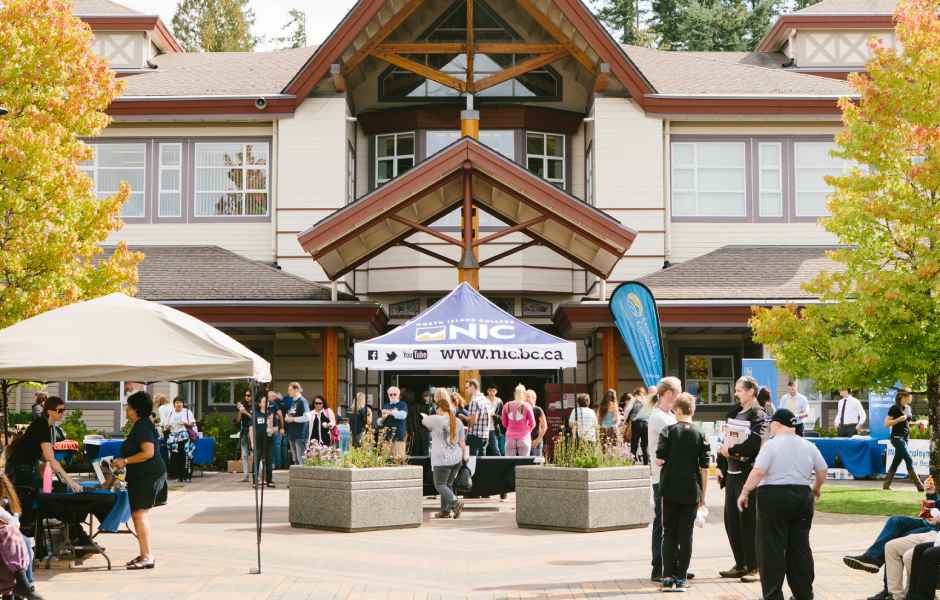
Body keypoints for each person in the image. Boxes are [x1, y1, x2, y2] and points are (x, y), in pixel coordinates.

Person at [736, 408, 827, 600]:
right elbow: (822, 470)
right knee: (800, 547)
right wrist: (816, 488)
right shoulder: (808, 445)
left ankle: (773, 594)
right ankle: (803, 593)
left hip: (774, 496)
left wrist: (745, 491)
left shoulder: (771, 445)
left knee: (771, 548)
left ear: (776, 425)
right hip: (802, 495)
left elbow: (759, 471)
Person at [656, 393, 708, 593]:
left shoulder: (667, 431)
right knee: (686, 535)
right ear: (692, 411)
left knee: (669, 533)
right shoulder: (701, 434)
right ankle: (682, 578)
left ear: (677, 410)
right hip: (691, 489)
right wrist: (703, 496)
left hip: (669, 488)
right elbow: (704, 467)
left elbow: (660, 459)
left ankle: (667, 577)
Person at [718, 375, 767, 582]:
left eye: (739, 390)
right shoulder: (734, 412)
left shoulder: (759, 415)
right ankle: (740, 563)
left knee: (748, 521)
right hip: (731, 474)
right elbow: (725, 440)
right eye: (736, 390)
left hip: (748, 475)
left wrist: (733, 451)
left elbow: (755, 445)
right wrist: (722, 465)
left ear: (751, 392)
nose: (736, 393)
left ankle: (753, 566)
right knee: (731, 520)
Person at [112, 391, 168, 570]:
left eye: (128, 407)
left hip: (148, 475)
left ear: (135, 409)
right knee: (138, 514)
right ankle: (144, 553)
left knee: (140, 514)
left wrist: (125, 461)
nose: (126, 410)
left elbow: (148, 452)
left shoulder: (143, 426)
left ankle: (148, 556)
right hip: (141, 476)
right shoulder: (140, 425)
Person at [648, 376, 680, 583]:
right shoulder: (659, 417)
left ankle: (672, 565)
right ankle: (658, 567)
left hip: (670, 476)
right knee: (662, 523)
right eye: (678, 392)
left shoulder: (668, 415)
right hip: (662, 478)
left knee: (671, 522)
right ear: (669, 394)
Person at [422, 388, 467, 519]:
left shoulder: (436, 419)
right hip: (457, 459)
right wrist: (464, 458)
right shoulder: (457, 420)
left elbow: (423, 421)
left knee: (440, 485)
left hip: (442, 459)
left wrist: (427, 416)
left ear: (439, 408)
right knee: (448, 484)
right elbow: (462, 443)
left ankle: (455, 502)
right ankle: (445, 511)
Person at [884, 390, 924, 491]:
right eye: (909, 396)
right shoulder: (894, 408)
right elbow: (886, 423)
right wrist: (898, 419)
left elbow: (906, 422)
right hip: (897, 438)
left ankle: (886, 485)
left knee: (896, 462)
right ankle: (919, 486)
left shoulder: (908, 408)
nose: (911, 398)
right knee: (909, 459)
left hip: (905, 438)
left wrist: (917, 423)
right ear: (902, 397)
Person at [251, 392, 279, 487]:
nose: (266, 403)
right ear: (260, 404)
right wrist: (252, 443)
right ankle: (255, 481)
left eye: (267, 401)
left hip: (269, 441)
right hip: (258, 442)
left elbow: (276, 428)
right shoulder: (256, 414)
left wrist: (271, 428)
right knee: (256, 461)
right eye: (264, 401)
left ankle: (269, 480)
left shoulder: (271, 414)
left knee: (269, 461)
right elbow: (251, 429)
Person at [165, 397, 195, 483]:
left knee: (186, 456)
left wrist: (185, 423)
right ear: (174, 404)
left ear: (183, 404)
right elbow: (166, 425)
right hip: (173, 438)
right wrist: (168, 426)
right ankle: (179, 476)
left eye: (180, 402)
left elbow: (192, 423)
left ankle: (187, 476)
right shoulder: (171, 412)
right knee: (176, 457)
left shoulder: (187, 412)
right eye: (177, 403)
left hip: (184, 436)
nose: (178, 404)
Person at [501, 384, 535, 457]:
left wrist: (511, 427)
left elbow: (504, 423)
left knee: (509, 464)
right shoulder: (527, 406)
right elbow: (533, 424)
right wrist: (528, 429)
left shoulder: (507, 405)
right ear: (524, 394)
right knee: (523, 465)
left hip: (510, 438)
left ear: (515, 393)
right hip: (524, 438)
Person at [283, 382, 310, 465]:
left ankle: (302, 477)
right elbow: (291, 414)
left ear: (296, 390)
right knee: (295, 460)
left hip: (300, 435)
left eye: (290, 390)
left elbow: (307, 417)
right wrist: (287, 418)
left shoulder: (302, 401)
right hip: (292, 435)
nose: (288, 392)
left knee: (301, 459)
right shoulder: (293, 402)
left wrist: (293, 419)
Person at [377, 386, 408, 459]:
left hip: (398, 435)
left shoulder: (402, 404)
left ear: (398, 395)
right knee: (386, 459)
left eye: (395, 394)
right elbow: (378, 422)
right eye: (390, 394)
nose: (392, 396)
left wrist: (388, 412)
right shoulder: (386, 405)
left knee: (398, 459)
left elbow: (403, 415)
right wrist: (383, 418)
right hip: (386, 436)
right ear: (388, 395)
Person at [464, 379, 491, 457]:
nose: (466, 390)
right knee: (482, 465)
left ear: (472, 387)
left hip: (474, 436)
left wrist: (464, 418)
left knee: (471, 464)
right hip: (485, 436)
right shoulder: (486, 400)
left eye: (467, 387)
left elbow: (473, 421)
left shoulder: (474, 401)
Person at [236, 391, 253, 481]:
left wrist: (245, 412)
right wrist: (240, 411)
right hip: (244, 431)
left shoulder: (255, 406)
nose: (247, 397)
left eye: (249, 395)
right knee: (244, 454)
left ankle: (258, 475)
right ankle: (246, 475)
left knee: (255, 453)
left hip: (253, 431)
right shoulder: (244, 405)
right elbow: (238, 420)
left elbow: (254, 418)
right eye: (246, 395)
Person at [526, 389, 548, 457]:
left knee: (536, 464)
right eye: (526, 396)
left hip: (536, 441)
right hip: (525, 441)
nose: (526, 398)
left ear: (534, 398)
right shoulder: (523, 409)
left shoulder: (538, 410)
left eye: (528, 396)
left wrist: (538, 440)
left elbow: (544, 426)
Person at [486, 386, 504, 457]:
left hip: (493, 428)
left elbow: (502, 417)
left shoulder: (499, 402)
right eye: (490, 390)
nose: (492, 393)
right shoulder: (483, 400)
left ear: (496, 391)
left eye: (493, 391)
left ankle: (500, 465)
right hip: (483, 428)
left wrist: (494, 416)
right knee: (482, 449)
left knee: (495, 449)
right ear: (487, 391)